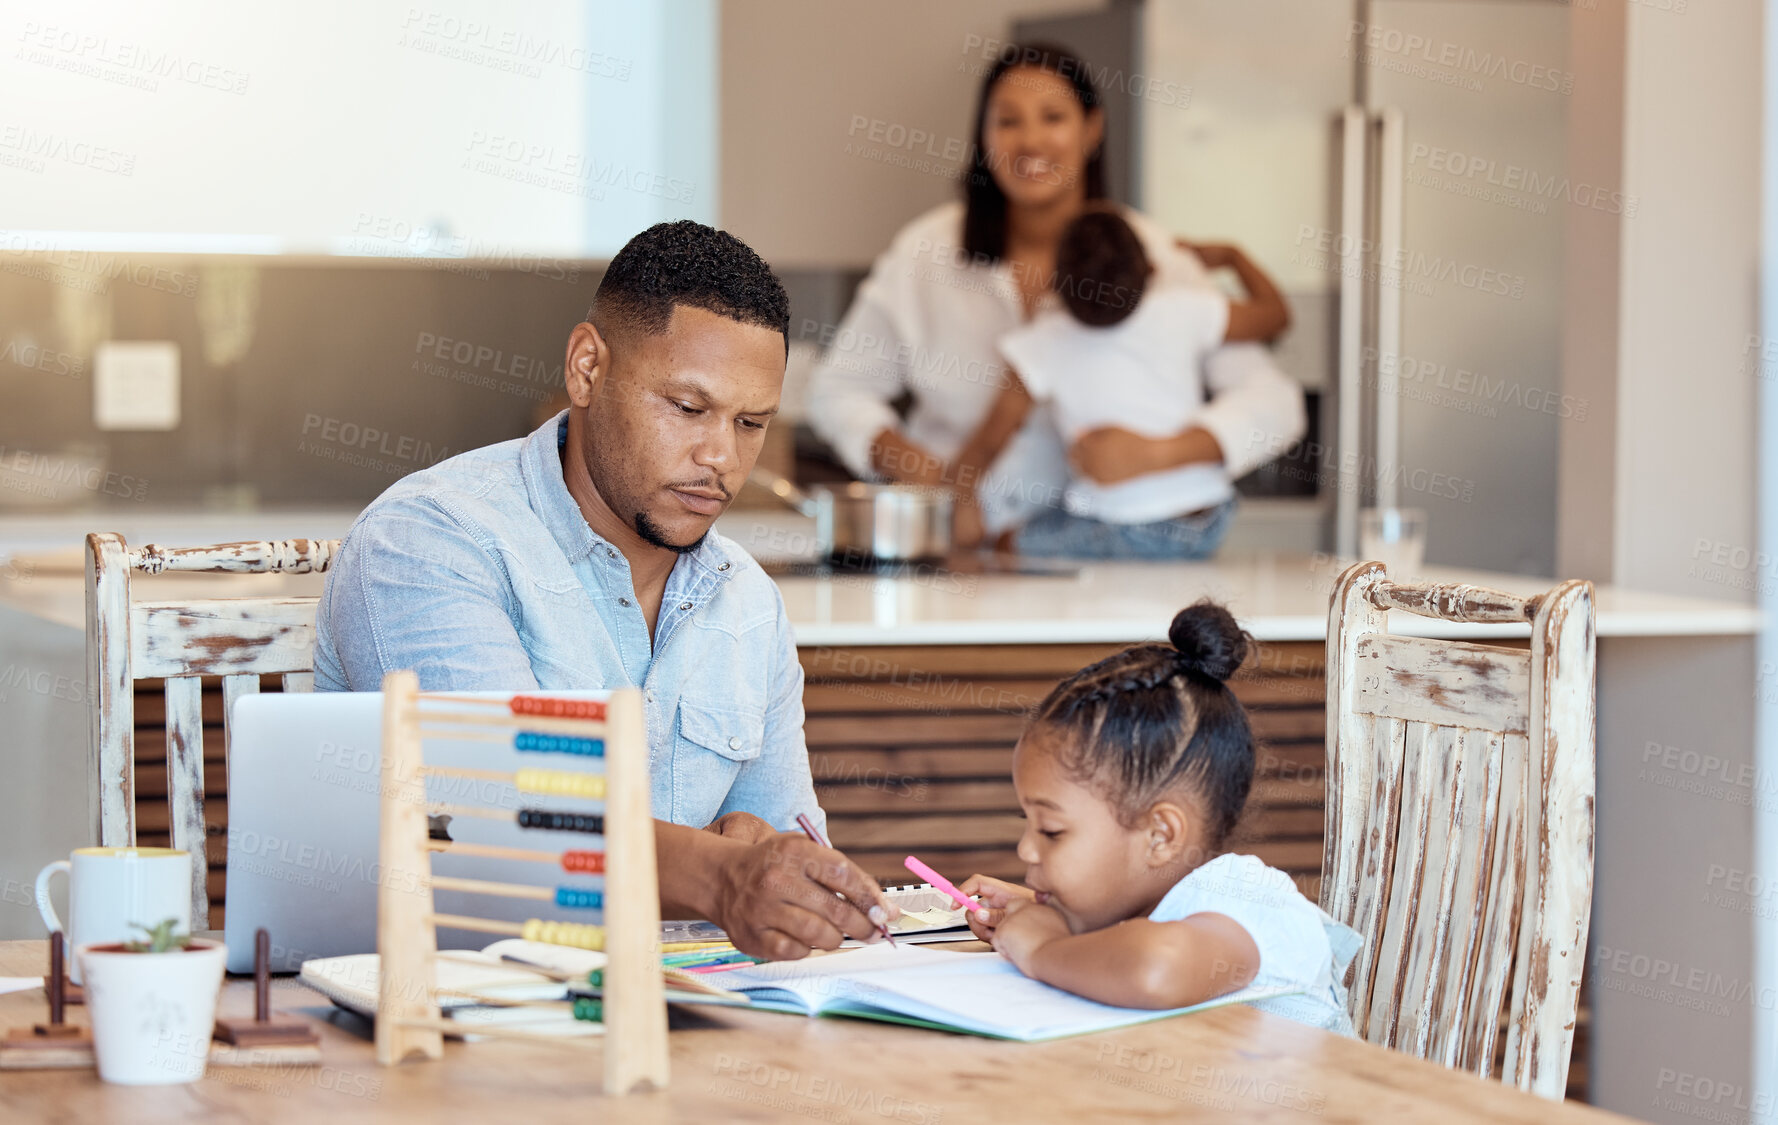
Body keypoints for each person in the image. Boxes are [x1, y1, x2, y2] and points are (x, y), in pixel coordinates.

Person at [313, 220, 897, 960]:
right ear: (587, 367)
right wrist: (718, 873)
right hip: (450, 1021)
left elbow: (781, 852)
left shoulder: (748, 601)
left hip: (683, 1020)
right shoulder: (429, 540)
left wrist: (762, 870)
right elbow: (499, 831)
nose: (721, 456)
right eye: (687, 408)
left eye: (751, 422)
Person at [805, 42, 1304, 557]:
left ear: (1092, 129)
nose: (1031, 140)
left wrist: (1158, 454)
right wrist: (932, 474)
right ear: (983, 137)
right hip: (961, 554)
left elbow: (1275, 405)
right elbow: (838, 392)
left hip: (1120, 562)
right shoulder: (925, 252)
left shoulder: (1151, 258)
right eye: (1007, 121)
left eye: (1053, 117)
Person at [956, 603, 1361, 1032]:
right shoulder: (1148, 905)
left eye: (1052, 831)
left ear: (1160, 835)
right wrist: (1051, 916)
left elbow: (1155, 969)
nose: (1026, 848)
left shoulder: (1243, 902)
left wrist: (1042, 947)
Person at [959, 207, 1291, 557]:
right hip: (1207, 518)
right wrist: (1233, 257)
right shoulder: (1184, 309)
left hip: (1123, 528)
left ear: (1056, 285)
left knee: (1006, 544)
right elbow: (1276, 316)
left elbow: (989, 440)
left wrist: (963, 499)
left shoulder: (1044, 342)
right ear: (1151, 270)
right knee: (1066, 513)